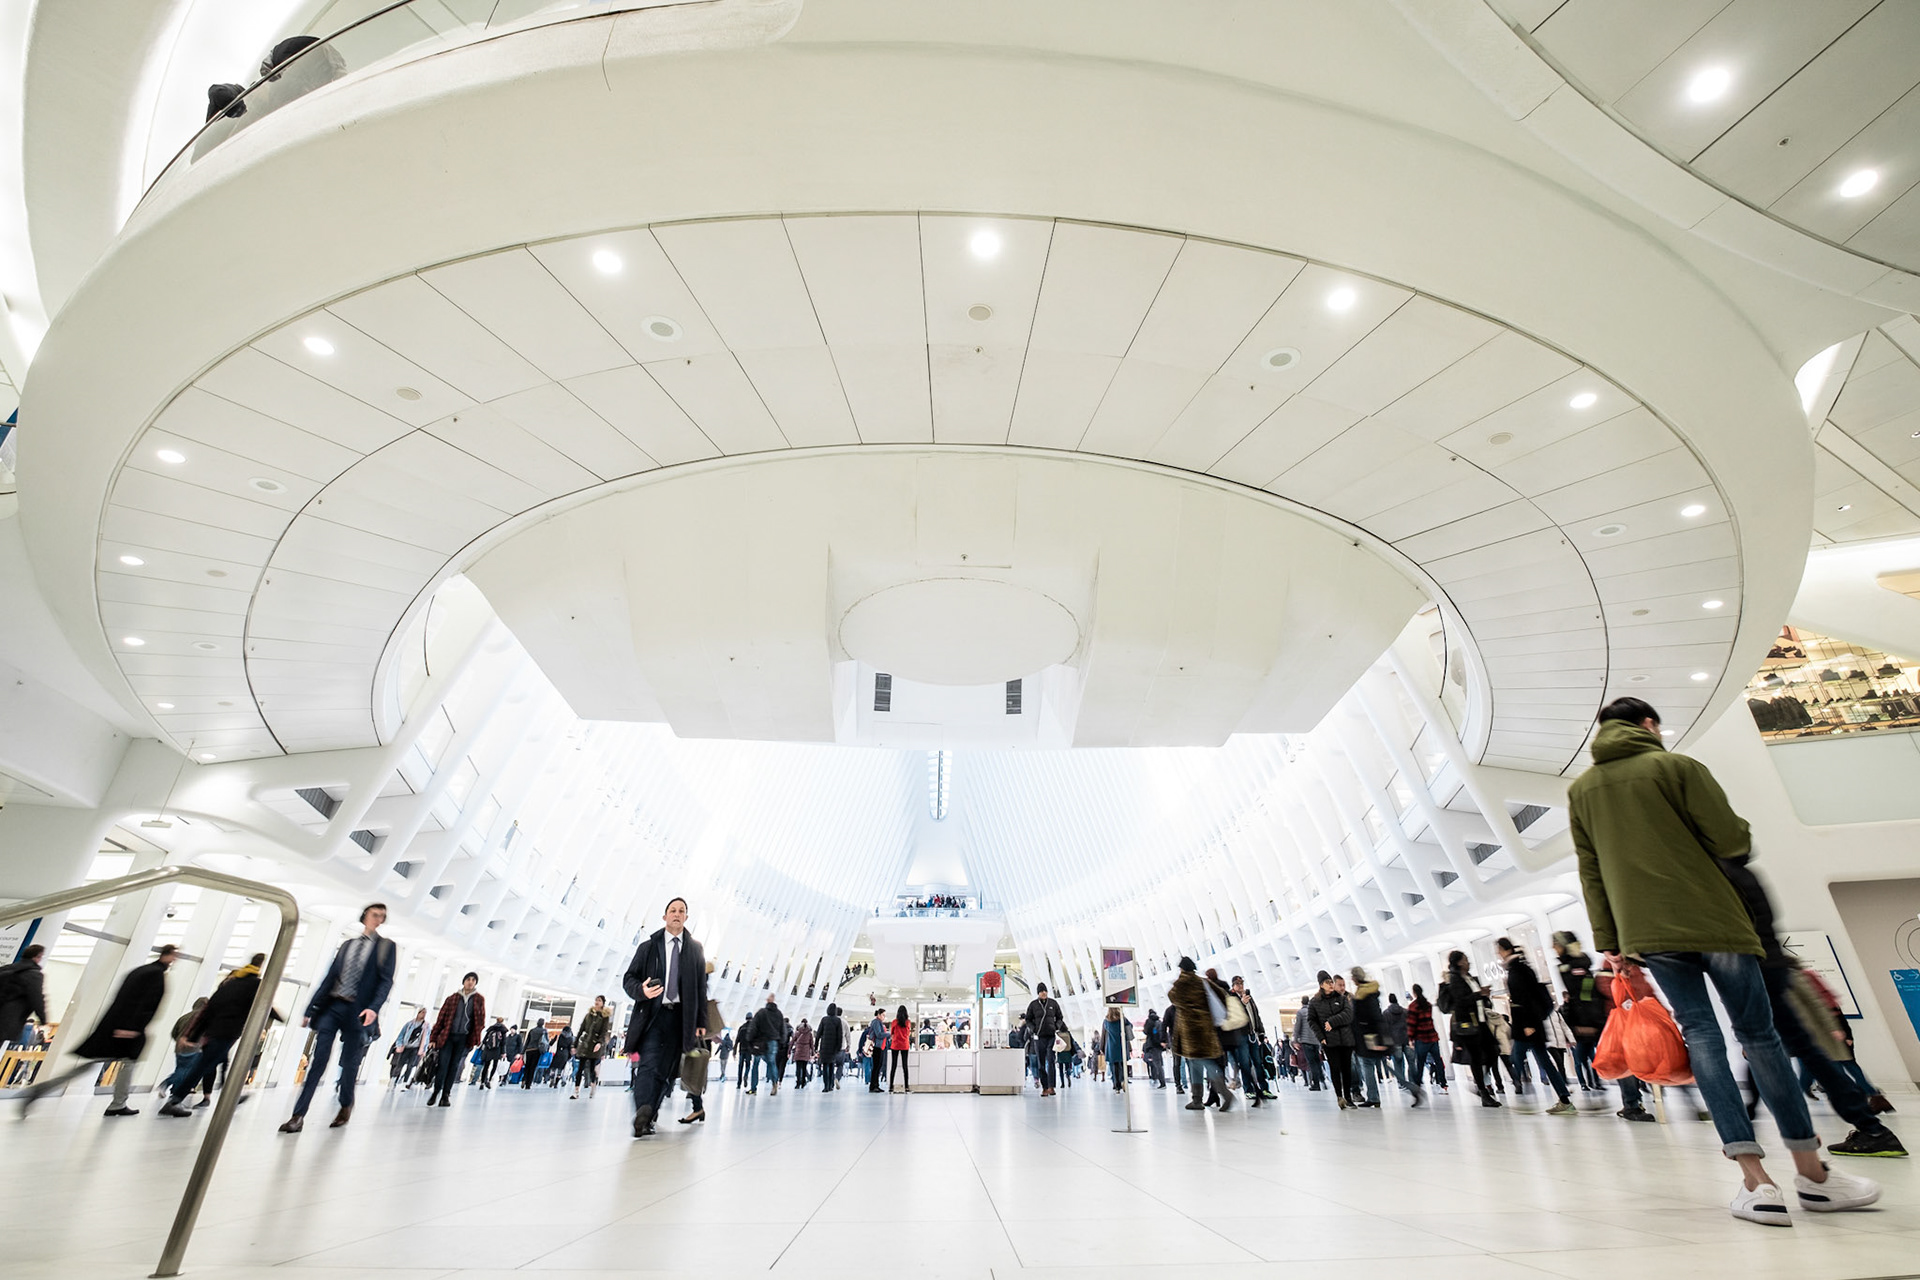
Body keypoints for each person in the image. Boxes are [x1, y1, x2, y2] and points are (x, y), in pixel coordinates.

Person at [1569, 696, 1879, 1224]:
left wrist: (1612, 943)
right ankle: (1813, 1174)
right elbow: (1732, 840)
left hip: (1651, 934)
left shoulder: (1582, 792)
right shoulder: (1678, 767)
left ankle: (1756, 1183)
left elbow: (1591, 872)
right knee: (1759, 1037)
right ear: (1649, 725)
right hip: (1716, 920)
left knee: (1702, 1038)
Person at [22, 945, 179, 1117]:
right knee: (127, 1062)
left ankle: (44, 1089)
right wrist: (131, 1028)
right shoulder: (154, 974)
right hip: (127, 1030)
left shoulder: (142, 971)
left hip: (117, 1026)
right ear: (168, 954)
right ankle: (117, 1103)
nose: (175, 959)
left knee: (97, 1064)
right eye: (174, 955)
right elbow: (141, 1003)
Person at [279, 904, 396, 1133]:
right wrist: (310, 1008)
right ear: (364, 916)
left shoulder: (385, 947)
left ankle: (345, 1104)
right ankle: (298, 1115)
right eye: (375, 915)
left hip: (359, 1011)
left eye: (382, 917)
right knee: (318, 1061)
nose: (379, 919)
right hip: (333, 1006)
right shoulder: (348, 945)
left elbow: (386, 981)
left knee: (350, 1062)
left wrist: (374, 1008)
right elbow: (330, 976)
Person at [621, 896, 709, 1137]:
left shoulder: (695, 949)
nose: (677, 914)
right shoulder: (649, 947)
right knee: (649, 1065)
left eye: (682, 911)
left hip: (680, 1019)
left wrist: (701, 1022)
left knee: (667, 1071)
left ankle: (649, 1114)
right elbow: (629, 979)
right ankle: (643, 1112)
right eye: (673, 910)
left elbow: (701, 988)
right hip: (653, 1016)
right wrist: (642, 990)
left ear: (686, 917)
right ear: (665, 916)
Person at [160, 954, 279, 1117]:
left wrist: (192, 1036)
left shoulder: (229, 984)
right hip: (227, 1032)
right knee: (203, 1066)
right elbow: (265, 1005)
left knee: (222, 1064)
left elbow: (208, 1010)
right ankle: (175, 1100)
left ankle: (230, 1096)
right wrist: (281, 1018)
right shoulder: (255, 985)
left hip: (214, 1032)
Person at [1496, 939, 1577, 1115]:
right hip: (1531, 1025)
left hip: (1527, 1026)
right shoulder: (1519, 968)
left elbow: (1525, 999)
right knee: (1544, 1062)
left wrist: (1528, 1024)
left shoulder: (1517, 971)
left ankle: (1517, 1088)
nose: (1498, 954)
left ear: (1506, 950)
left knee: (1516, 1058)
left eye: (1499, 950)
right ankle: (1564, 1099)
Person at [1436, 951, 1499, 1107]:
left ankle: (1481, 1085)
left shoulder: (1468, 977)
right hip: (1468, 1024)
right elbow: (1460, 1002)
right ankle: (1483, 1091)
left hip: (1480, 1020)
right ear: (1459, 963)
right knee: (1477, 1058)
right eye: (1465, 960)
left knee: (1493, 1051)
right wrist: (1479, 994)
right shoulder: (1455, 979)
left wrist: (1482, 995)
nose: (1468, 962)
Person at [1168, 957, 1229, 1111]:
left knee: (1202, 1062)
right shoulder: (1203, 982)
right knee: (1196, 1063)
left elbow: (1172, 997)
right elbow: (1222, 994)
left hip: (1190, 1031)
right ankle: (1197, 1100)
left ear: (1181, 969)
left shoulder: (1181, 984)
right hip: (1206, 1028)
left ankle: (1226, 1095)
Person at [423, 972, 484, 1108]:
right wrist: (433, 1038)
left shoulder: (479, 999)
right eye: (468, 979)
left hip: (464, 1038)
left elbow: (480, 1021)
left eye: (473, 980)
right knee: (443, 1065)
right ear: (464, 981)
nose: (470, 982)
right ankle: (436, 1092)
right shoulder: (452, 998)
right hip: (448, 1037)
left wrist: (475, 1038)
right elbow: (441, 1019)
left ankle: (446, 1095)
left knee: (454, 1067)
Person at [1307, 970, 1356, 1109]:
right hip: (1329, 1042)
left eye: (1331, 982)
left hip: (1346, 1040)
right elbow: (1312, 1021)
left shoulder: (1341, 998)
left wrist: (1332, 1022)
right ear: (1321, 985)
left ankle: (1348, 1097)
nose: (1330, 985)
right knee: (1335, 1069)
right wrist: (1321, 1037)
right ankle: (1339, 1096)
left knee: (1347, 1069)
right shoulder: (1314, 1002)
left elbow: (1348, 1015)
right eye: (1327, 982)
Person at [0, 943, 48, 1049]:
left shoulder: (6, 968)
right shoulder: (34, 975)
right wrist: (43, 1018)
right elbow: (37, 998)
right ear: (37, 957)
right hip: (6, 1019)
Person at [1022, 983, 1066, 1096]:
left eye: (1045, 991)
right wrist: (1033, 1029)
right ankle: (1045, 1087)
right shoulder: (1033, 1005)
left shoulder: (1053, 1003)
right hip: (1039, 1037)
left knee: (1051, 1060)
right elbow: (1028, 1019)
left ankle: (1051, 1086)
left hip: (1051, 1036)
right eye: (1042, 991)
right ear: (1038, 993)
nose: (1044, 993)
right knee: (1041, 1063)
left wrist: (1056, 1026)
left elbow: (1060, 1017)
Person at [572, 996, 611, 1099]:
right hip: (585, 1044)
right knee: (580, 1068)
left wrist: (599, 1043)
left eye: (599, 1001)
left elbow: (604, 1032)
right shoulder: (588, 1016)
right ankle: (576, 1091)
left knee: (591, 1068)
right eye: (596, 1000)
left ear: (603, 1003)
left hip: (595, 1046)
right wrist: (575, 1044)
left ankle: (593, 1085)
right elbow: (581, 1029)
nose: (597, 1002)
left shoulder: (604, 1017)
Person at [745, 994, 783, 1095]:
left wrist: (749, 1039)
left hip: (760, 1042)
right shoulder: (779, 1014)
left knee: (756, 1064)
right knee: (772, 1063)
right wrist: (782, 1041)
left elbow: (753, 1027)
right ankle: (774, 1083)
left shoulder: (761, 1012)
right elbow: (782, 1029)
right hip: (773, 1041)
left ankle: (753, 1088)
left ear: (767, 1001)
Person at [390, 1008, 427, 1088]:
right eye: (422, 1012)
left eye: (425, 1013)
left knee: (410, 1066)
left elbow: (426, 1038)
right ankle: (393, 1080)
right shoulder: (410, 1024)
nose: (423, 1014)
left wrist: (424, 1049)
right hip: (406, 1047)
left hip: (416, 1048)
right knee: (400, 1064)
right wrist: (399, 1045)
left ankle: (404, 1083)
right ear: (418, 1013)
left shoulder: (426, 1026)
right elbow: (401, 1035)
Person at [1291, 1001, 1323, 1090]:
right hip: (1316, 1040)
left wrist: (1295, 1040)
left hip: (1306, 1041)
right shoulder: (1314, 1011)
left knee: (1311, 1063)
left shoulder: (1300, 1012)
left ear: (1301, 1003)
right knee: (1317, 1061)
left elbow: (1297, 1027)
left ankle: (1316, 1084)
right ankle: (1322, 1079)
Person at [817, 1004, 846, 1091]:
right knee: (831, 1066)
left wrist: (816, 1046)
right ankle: (830, 1085)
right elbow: (840, 1035)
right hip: (833, 1047)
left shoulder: (824, 1019)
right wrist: (839, 1047)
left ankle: (826, 1086)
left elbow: (818, 1033)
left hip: (824, 1047)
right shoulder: (838, 1021)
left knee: (825, 1066)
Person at [1102, 1006, 1131, 1091]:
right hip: (1121, 1044)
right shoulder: (1123, 1019)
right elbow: (1130, 1026)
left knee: (1114, 1066)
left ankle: (1116, 1085)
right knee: (1122, 1065)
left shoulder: (1106, 1021)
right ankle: (1123, 1081)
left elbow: (1104, 1032)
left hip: (1112, 1046)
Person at [888, 1005, 912, 1093]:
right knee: (905, 1066)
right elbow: (908, 1033)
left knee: (893, 1066)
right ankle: (906, 1087)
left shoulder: (894, 1022)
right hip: (905, 1045)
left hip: (895, 1045)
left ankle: (891, 1086)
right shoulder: (908, 1022)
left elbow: (892, 1033)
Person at [862, 1008, 887, 1093]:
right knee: (876, 1066)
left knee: (878, 1066)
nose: (884, 1017)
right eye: (883, 1015)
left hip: (880, 1047)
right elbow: (879, 1034)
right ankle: (873, 1086)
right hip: (876, 1047)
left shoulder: (879, 1022)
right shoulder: (876, 1022)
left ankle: (876, 1085)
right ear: (879, 1015)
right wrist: (889, 1034)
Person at [1141, 1008, 1167, 1087]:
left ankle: (1162, 1083)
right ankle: (1161, 1081)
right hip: (1159, 1046)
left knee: (1157, 1065)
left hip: (1152, 1045)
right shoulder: (1159, 1022)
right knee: (1159, 1064)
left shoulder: (1149, 1022)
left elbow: (1145, 1031)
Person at [520, 1019, 548, 1089]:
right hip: (537, 1050)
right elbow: (546, 1042)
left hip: (529, 1049)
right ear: (543, 1023)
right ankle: (528, 1084)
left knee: (527, 1066)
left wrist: (522, 1052)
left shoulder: (532, 1030)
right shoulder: (544, 1031)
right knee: (532, 1067)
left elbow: (527, 1041)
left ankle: (524, 1079)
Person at [480, 1018, 507, 1088]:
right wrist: (503, 1052)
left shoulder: (491, 1028)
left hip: (488, 1049)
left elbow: (484, 1040)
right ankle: (489, 1080)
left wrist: (487, 1046)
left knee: (486, 1066)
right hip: (497, 1050)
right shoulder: (503, 1030)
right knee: (494, 1066)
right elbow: (503, 1042)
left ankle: (482, 1082)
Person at [792, 1018, 816, 1089]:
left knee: (798, 1068)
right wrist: (812, 1053)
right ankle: (803, 1083)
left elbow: (792, 1042)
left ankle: (798, 1083)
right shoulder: (810, 1034)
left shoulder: (797, 1032)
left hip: (798, 1051)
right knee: (804, 1067)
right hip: (806, 1052)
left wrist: (789, 1050)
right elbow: (812, 1044)